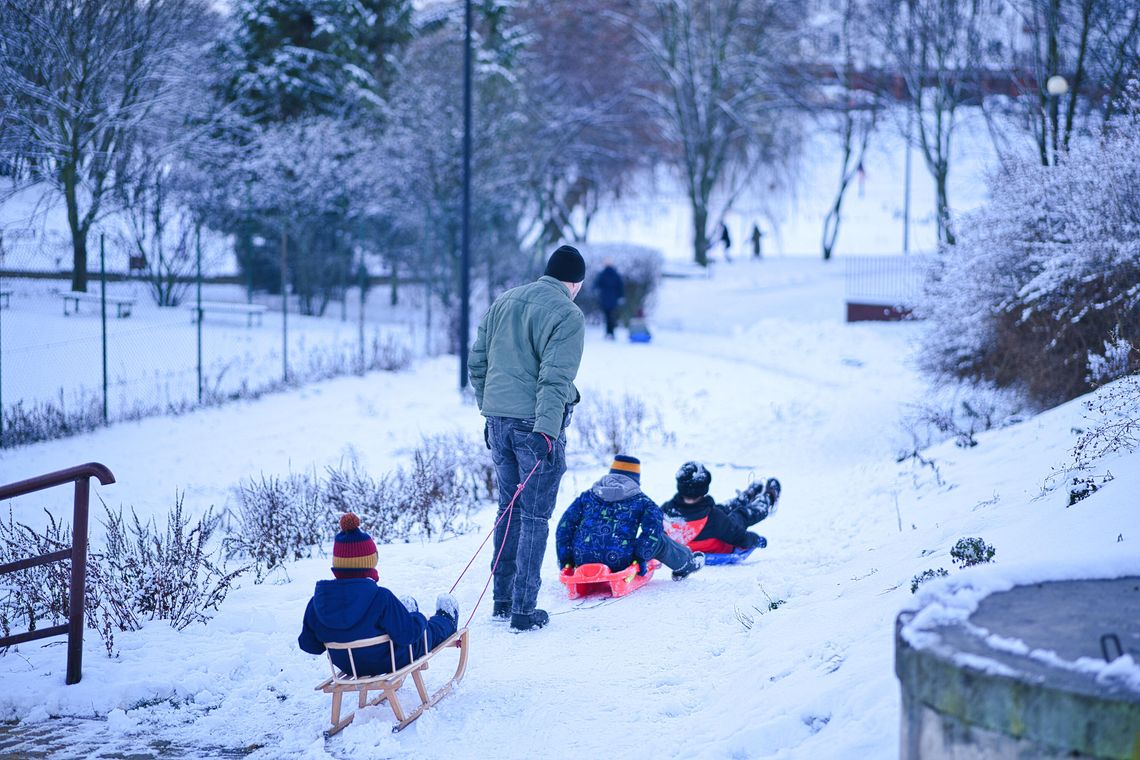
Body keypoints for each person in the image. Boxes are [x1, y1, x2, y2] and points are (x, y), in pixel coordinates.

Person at [468, 244, 587, 632]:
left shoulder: (504, 301)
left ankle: (502, 600)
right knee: (534, 514)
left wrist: (490, 407)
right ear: (574, 283)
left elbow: (477, 362)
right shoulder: (567, 314)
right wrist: (546, 432)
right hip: (535, 426)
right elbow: (555, 379)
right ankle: (522, 608)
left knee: (508, 507)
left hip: (498, 422)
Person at [298, 513, 460, 676]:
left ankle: (404, 614)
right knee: (427, 632)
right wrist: (420, 619)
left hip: (349, 666)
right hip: (389, 661)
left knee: (396, 621)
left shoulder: (317, 602)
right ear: (369, 562)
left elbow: (309, 645)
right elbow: (408, 635)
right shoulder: (380, 597)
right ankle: (447, 619)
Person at [555, 455, 705, 582]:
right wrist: (640, 557)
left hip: (581, 559)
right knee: (660, 540)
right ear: (636, 479)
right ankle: (686, 563)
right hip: (620, 559)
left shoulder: (587, 496)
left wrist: (566, 560)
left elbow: (564, 527)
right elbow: (653, 532)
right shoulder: (643, 501)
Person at [660, 462, 781, 554]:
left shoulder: (666, 510)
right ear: (704, 488)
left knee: (720, 508)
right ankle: (765, 501)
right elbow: (741, 539)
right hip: (718, 542)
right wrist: (756, 540)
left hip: (697, 530)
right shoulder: (715, 519)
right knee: (740, 515)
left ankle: (744, 498)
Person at [593, 257, 625, 340]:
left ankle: (608, 332)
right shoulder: (616, 274)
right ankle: (611, 333)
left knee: (607, 316)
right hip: (613, 299)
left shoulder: (602, 274)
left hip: (604, 298)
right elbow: (620, 286)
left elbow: (597, 285)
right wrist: (620, 296)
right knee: (611, 316)